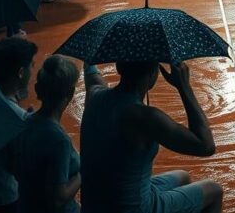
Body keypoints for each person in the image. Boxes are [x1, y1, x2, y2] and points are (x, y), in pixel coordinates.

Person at [80, 61, 224, 213]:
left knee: (183, 177)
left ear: (118, 67)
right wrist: (184, 87)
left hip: (94, 206)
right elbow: (206, 146)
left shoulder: (94, 94)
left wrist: (89, 60)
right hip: (134, 208)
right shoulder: (146, 117)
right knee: (214, 190)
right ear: (153, 75)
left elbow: (92, 75)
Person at [16, 55, 81, 213]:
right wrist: (82, 173)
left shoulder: (24, 121)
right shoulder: (59, 140)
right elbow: (57, 200)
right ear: (71, 93)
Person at [0, 37, 38, 213]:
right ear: (21, 72)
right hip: (5, 197)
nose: (33, 70)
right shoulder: (18, 118)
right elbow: (20, 168)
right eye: (31, 65)